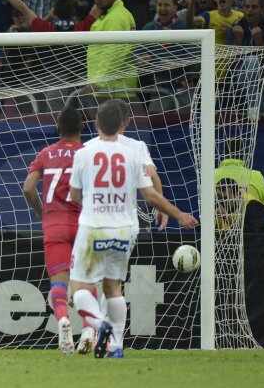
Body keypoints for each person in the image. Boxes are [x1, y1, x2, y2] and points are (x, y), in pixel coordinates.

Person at [68, 100, 198, 358]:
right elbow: (150, 193)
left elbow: (74, 194)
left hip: (94, 226)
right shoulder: (134, 152)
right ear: (124, 124)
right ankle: (115, 345)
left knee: (79, 289)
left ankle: (99, 326)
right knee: (113, 287)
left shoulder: (83, 152)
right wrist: (179, 213)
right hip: (126, 228)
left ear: (95, 123)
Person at [22, 106, 84, 354]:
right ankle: (88, 329)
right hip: (82, 225)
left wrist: (41, 212)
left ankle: (62, 320)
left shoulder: (46, 153)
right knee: (86, 283)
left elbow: (28, 188)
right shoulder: (87, 153)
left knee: (58, 282)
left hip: (54, 225)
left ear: (58, 129)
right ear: (82, 128)